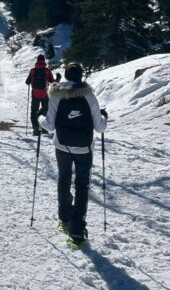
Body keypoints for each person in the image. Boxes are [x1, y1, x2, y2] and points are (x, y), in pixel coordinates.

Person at [39, 63, 108, 245]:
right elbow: (100, 127)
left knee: (64, 179)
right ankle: (77, 229)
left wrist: (39, 118)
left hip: (62, 146)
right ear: (81, 76)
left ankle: (64, 217)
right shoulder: (89, 95)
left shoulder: (55, 94)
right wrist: (104, 117)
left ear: (67, 76)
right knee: (82, 185)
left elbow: (50, 125)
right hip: (84, 148)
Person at [25, 54, 54, 136]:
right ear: (44, 61)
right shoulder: (47, 71)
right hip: (44, 94)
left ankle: (35, 129)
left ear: (37, 61)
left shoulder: (33, 70)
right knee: (46, 110)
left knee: (34, 111)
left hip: (35, 94)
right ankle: (45, 129)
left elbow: (27, 82)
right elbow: (52, 82)